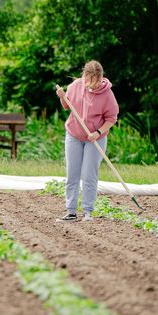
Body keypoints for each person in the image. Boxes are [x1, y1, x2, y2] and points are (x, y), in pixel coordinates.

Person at [55, 60, 119, 222]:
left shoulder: (107, 94)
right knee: (73, 174)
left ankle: (88, 212)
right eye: (90, 82)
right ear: (84, 76)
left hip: (95, 138)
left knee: (89, 175)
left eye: (96, 82)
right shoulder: (75, 86)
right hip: (74, 135)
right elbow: (67, 106)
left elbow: (111, 118)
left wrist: (98, 132)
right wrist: (62, 97)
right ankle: (71, 211)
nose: (93, 86)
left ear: (101, 77)